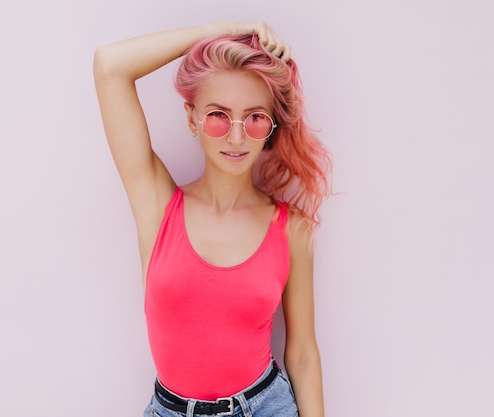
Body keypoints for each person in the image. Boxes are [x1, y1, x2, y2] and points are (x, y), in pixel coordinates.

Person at [93, 21, 331, 417]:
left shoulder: (291, 230)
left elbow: (303, 354)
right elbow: (109, 67)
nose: (236, 138)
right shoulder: (158, 206)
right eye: (219, 115)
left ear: (270, 128)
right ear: (192, 119)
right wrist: (228, 29)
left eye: (254, 118)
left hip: (264, 407)